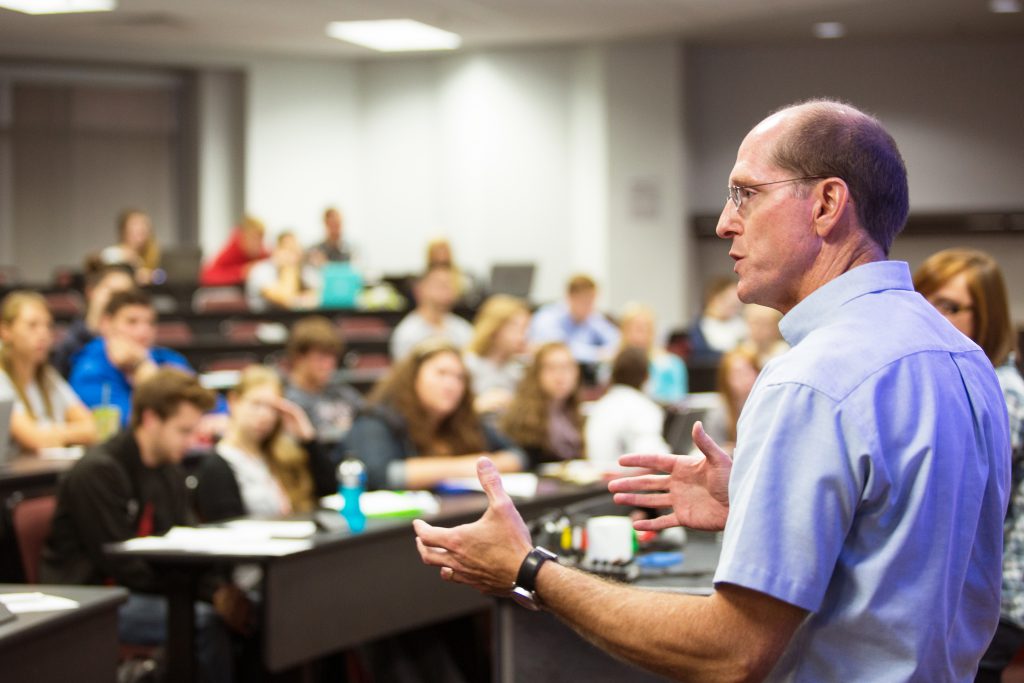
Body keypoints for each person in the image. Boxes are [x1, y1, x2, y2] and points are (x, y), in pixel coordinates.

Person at [413, 99, 1011, 681]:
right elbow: (908, 543)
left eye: (746, 193)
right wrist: (761, 498)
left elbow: (730, 653)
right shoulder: (962, 356)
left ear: (827, 203)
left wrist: (528, 569)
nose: (726, 221)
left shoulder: (813, 378)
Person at [40, 369, 243, 681]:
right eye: (183, 430)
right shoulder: (97, 473)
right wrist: (204, 594)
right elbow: (122, 564)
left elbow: (190, 541)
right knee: (202, 620)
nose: (192, 442)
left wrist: (217, 589)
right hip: (94, 599)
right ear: (150, 419)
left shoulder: (169, 471)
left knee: (246, 610)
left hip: (148, 589)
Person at [911, 248, 1024, 683]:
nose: (932, 315)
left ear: (988, 316)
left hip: (994, 602)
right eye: (924, 300)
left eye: (950, 306)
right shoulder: (956, 380)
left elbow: (949, 501)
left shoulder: (1000, 392)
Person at [346, 338, 525, 491]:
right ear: (413, 377)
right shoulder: (376, 417)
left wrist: (443, 470)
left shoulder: (461, 419)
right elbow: (383, 476)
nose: (451, 385)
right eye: (441, 373)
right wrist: (471, 466)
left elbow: (518, 456)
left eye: (459, 378)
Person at [193, 365, 336, 522]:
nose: (265, 415)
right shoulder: (217, 466)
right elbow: (229, 531)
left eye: (272, 408)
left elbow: (329, 489)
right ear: (234, 401)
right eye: (257, 404)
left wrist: (308, 438)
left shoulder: (281, 454)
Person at [69, 288, 192, 429]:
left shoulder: (169, 359)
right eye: (132, 322)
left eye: (150, 323)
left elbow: (210, 406)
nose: (143, 332)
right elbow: (128, 426)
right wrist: (143, 367)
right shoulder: (89, 370)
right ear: (106, 324)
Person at [0, 291, 97, 452]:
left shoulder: (47, 376)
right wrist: (67, 431)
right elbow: (34, 439)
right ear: (5, 331)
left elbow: (93, 428)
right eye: (32, 325)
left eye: (48, 325)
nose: (43, 334)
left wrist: (51, 433)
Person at [585, 347, 669, 471]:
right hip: (625, 483)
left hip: (599, 482)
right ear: (646, 376)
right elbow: (650, 458)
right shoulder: (644, 408)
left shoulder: (601, 405)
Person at [283, 315, 364, 446]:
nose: (329, 364)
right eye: (321, 357)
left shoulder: (344, 393)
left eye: (333, 357)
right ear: (299, 357)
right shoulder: (287, 401)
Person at [500, 342, 585, 466]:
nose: (560, 376)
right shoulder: (522, 417)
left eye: (567, 367)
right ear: (536, 373)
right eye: (551, 368)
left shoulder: (575, 412)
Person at [50, 263, 135, 378]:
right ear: (91, 291)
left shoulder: (138, 345)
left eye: (125, 296)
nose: (118, 301)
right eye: (112, 293)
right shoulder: (69, 344)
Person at [528, 274, 619, 369]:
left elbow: (616, 341)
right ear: (570, 297)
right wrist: (598, 354)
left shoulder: (592, 318)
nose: (591, 306)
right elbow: (560, 350)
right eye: (585, 301)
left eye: (592, 301)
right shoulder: (546, 318)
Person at [463, 294, 530, 416]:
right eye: (517, 328)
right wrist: (478, 405)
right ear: (495, 328)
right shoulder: (469, 365)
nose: (523, 336)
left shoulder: (520, 368)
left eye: (525, 329)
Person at [389, 265, 473, 360]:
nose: (447, 291)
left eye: (450, 285)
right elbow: (404, 372)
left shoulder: (463, 330)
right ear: (420, 290)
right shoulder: (407, 333)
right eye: (441, 285)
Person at [618, 302, 688, 404]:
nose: (642, 334)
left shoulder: (671, 364)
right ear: (624, 331)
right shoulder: (614, 364)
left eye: (647, 328)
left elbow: (677, 400)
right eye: (637, 328)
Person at [701, 345, 761, 450]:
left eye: (749, 370)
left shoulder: (767, 405)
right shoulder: (718, 414)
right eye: (738, 373)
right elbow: (714, 452)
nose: (745, 378)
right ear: (726, 379)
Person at [244, 231, 321, 312]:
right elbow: (285, 300)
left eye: (296, 249)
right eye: (289, 249)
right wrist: (288, 269)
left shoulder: (303, 269)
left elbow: (321, 293)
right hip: (267, 321)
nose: (294, 254)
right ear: (277, 250)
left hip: (297, 319)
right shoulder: (261, 270)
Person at [687, 276, 749, 363]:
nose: (733, 302)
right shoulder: (698, 328)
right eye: (727, 298)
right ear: (713, 298)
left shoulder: (742, 325)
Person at [199, 215, 269, 287]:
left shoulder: (263, 253)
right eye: (253, 238)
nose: (257, 244)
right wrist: (241, 272)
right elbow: (207, 276)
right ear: (242, 236)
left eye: (260, 239)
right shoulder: (232, 250)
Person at [99, 208, 161, 285]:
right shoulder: (113, 254)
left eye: (144, 226)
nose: (140, 229)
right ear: (124, 231)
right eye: (135, 225)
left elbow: (161, 277)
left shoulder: (150, 256)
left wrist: (152, 277)